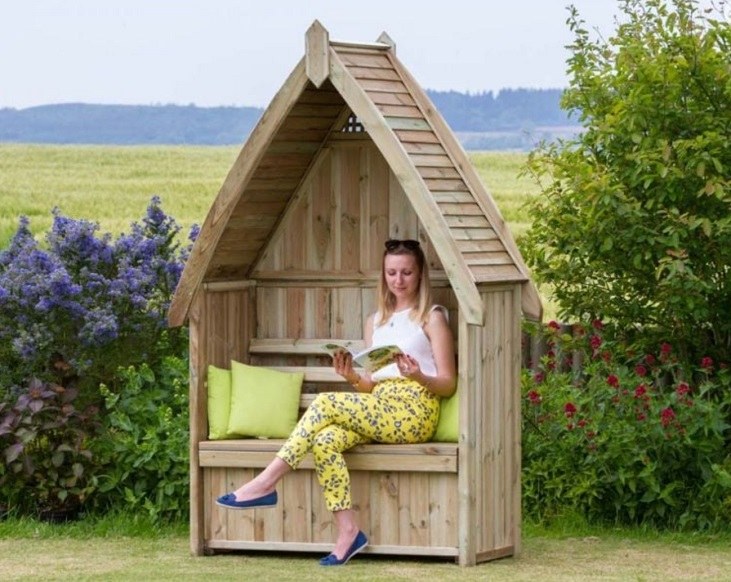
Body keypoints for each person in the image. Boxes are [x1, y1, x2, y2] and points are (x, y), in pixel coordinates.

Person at [216, 238, 457, 566]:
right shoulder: (377, 321)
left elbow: (448, 383)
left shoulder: (431, 317)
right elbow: (370, 386)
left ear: (420, 275)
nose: (398, 280)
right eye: (391, 273)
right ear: (383, 276)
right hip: (381, 407)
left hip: (416, 408)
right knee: (325, 440)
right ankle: (348, 532)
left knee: (326, 401)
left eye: (406, 273)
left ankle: (265, 482)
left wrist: (418, 377)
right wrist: (352, 376)